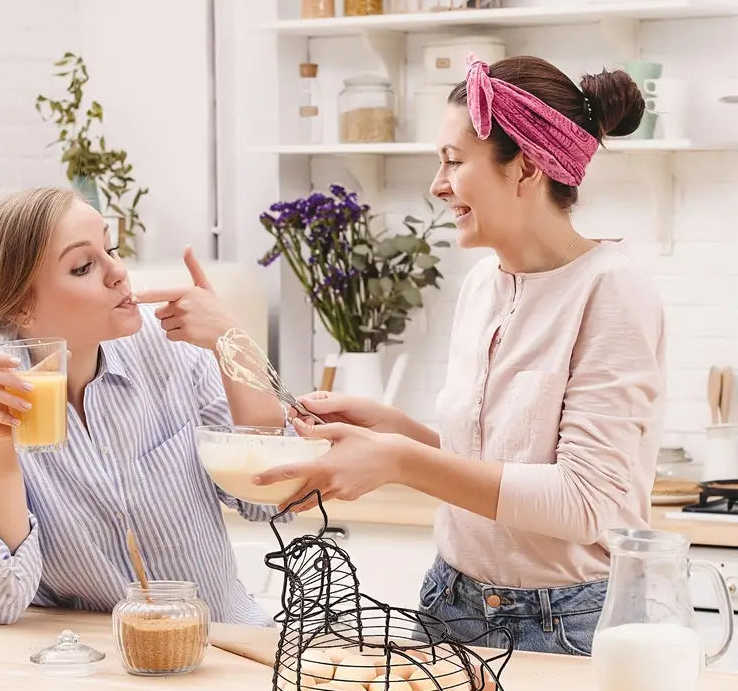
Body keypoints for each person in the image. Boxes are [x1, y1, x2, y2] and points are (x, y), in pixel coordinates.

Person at [253, 55, 666, 656]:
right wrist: (395, 431)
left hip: (563, 625)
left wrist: (399, 460)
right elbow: (491, 465)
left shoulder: (612, 291)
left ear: (525, 167)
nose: (437, 184)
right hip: (451, 604)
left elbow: (583, 502)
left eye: (453, 161)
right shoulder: (482, 284)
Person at [0, 187, 284, 626]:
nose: (118, 272)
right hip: (89, 667)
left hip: (224, 645)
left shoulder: (170, 348)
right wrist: (0, 444)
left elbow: (272, 500)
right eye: (84, 266)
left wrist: (233, 341)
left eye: (111, 249)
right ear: (22, 306)